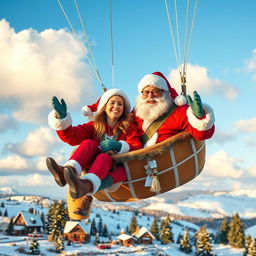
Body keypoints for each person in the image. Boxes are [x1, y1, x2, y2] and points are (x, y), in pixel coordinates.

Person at [78, 71, 215, 214]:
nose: (150, 96)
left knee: (120, 171)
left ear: (166, 93)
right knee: (95, 154)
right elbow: (116, 119)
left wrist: (200, 116)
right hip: (129, 158)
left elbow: (201, 133)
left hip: (158, 164)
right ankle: (85, 190)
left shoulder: (179, 113)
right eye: (145, 92)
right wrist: (99, 113)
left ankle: (87, 190)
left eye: (156, 92)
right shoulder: (136, 113)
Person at [46, 88, 142, 215]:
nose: (116, 106)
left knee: (104, 157)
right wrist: (62, 118)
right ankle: (66, 173)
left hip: (116, 171)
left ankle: (86, 186)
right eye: (112, 102)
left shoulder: (128, 127)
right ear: (105, 106)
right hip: (94, 166)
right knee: (88, 143)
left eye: (120, 104)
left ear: (124, 109)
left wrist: (119, 146)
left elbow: (136, 146)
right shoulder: (95, 125)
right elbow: (73, 136)